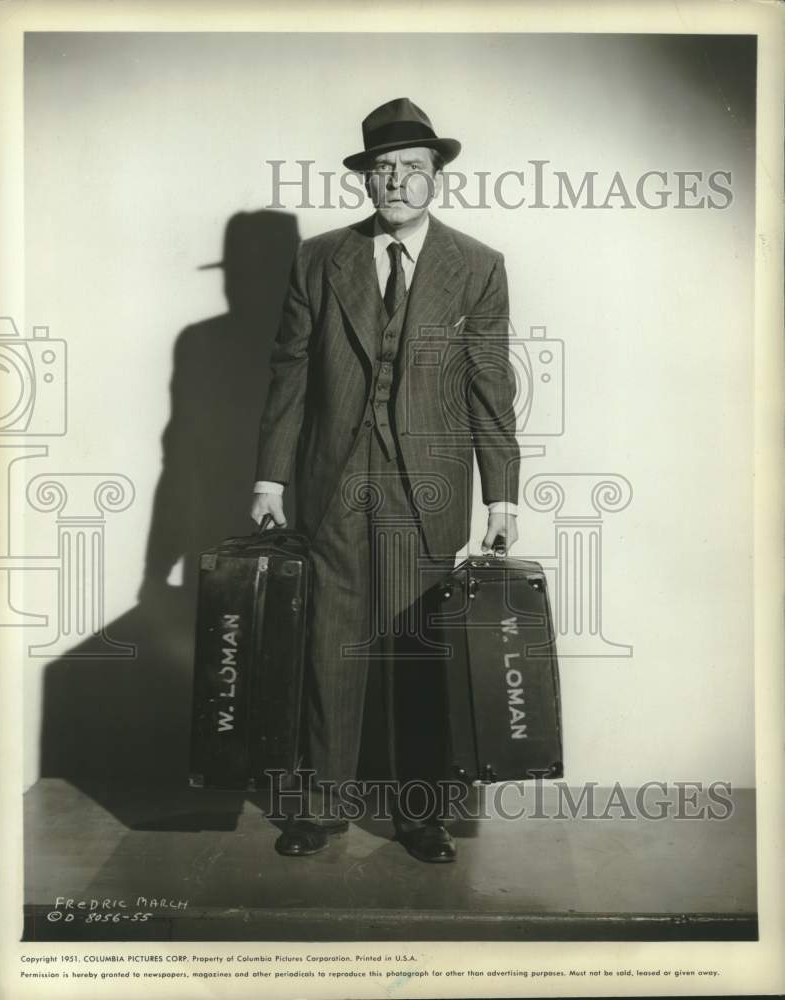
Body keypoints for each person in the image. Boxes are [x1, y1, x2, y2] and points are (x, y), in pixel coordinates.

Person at [250, 97, 520, 862]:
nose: (397, 181)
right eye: (383, 169)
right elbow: (290, 372)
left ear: (437, 177)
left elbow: (489, 385)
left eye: (412, 168)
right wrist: (270, 478)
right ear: (365, 180)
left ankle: (419, 813)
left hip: (427, 485)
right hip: (333, 476)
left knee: (418, 648)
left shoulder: (478, 267)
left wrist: (502, 490)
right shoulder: (318, 258)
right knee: (328, 644)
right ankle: (322, 806)